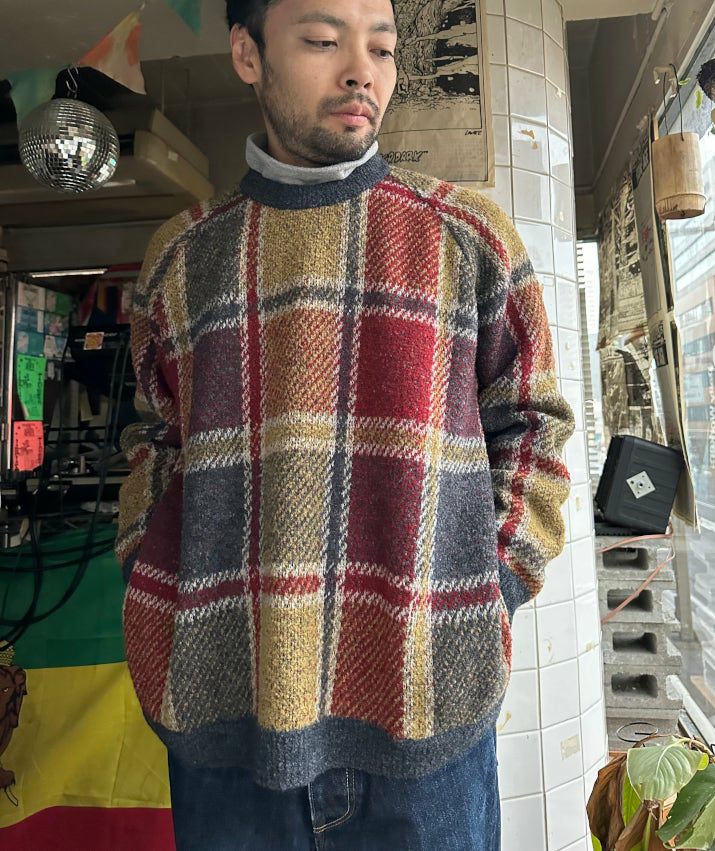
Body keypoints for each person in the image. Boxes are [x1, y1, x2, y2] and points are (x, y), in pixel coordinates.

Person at [115, 0, 576, 847]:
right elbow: (153, 439)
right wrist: (146, 568)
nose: (362, 70)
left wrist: (490, 584)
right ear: (247, 53)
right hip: (225, 723)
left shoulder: (469, 236)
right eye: (323, 41)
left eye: (382, 48)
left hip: (427, 727)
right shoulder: (181, 257)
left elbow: (534, 425)